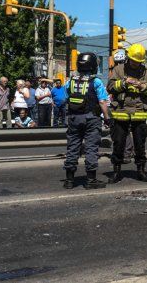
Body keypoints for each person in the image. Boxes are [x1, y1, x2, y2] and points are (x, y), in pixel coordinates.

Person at [107, 43, 147, 183]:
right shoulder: (118, 70)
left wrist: (142, 86)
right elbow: (110, 87)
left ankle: (141, 171)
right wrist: (123, 84)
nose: (136, 64)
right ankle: (116, 171)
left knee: (140, 144)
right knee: (118, 143)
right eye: (134, 61)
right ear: (129, 58)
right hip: (121, 112)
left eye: (138, 62)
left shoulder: (146, 72)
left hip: (139, 113)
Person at [63, 52, 112, 189]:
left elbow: (64, 99)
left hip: (73, 118)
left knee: (72, 147)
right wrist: (107, 119)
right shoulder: (96, 82)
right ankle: (91, 180)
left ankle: (69, 181)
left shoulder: (70, 81)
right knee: (91, 148)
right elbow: (102, 102)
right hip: (91, 118)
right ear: (92, 66)